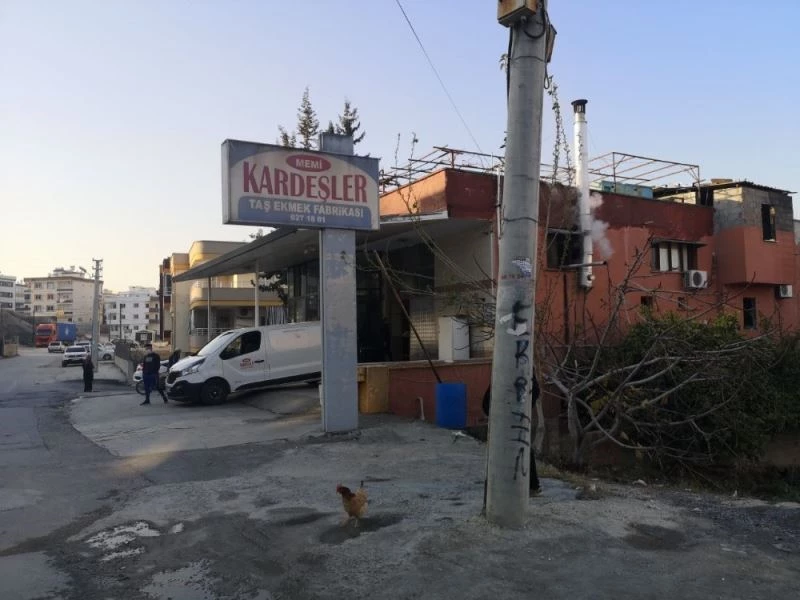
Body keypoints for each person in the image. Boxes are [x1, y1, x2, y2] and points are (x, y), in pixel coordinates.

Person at [482, 375, 541, 495]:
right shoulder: (521, 373)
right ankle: (531, 486)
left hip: (507, 421)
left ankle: (526, 486)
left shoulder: (503, 374)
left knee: (516, 452)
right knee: (522, 451)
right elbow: (535, 392)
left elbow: (487, 402)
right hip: (516, 420)